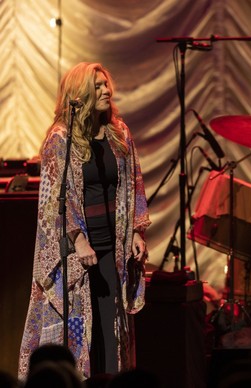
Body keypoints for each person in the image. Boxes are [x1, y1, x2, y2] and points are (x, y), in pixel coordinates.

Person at [18, 62, 151, 379]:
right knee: (80, 332)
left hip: (113, 249)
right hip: (79, 255)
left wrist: (136, 230)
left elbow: (134, 183)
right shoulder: (59, 140)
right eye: (98, 87)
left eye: (107, 85)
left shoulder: (118, 133)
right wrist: (78, 240)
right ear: (78, 95)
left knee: (109, 330)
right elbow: (54, 201)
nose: (107, 91)